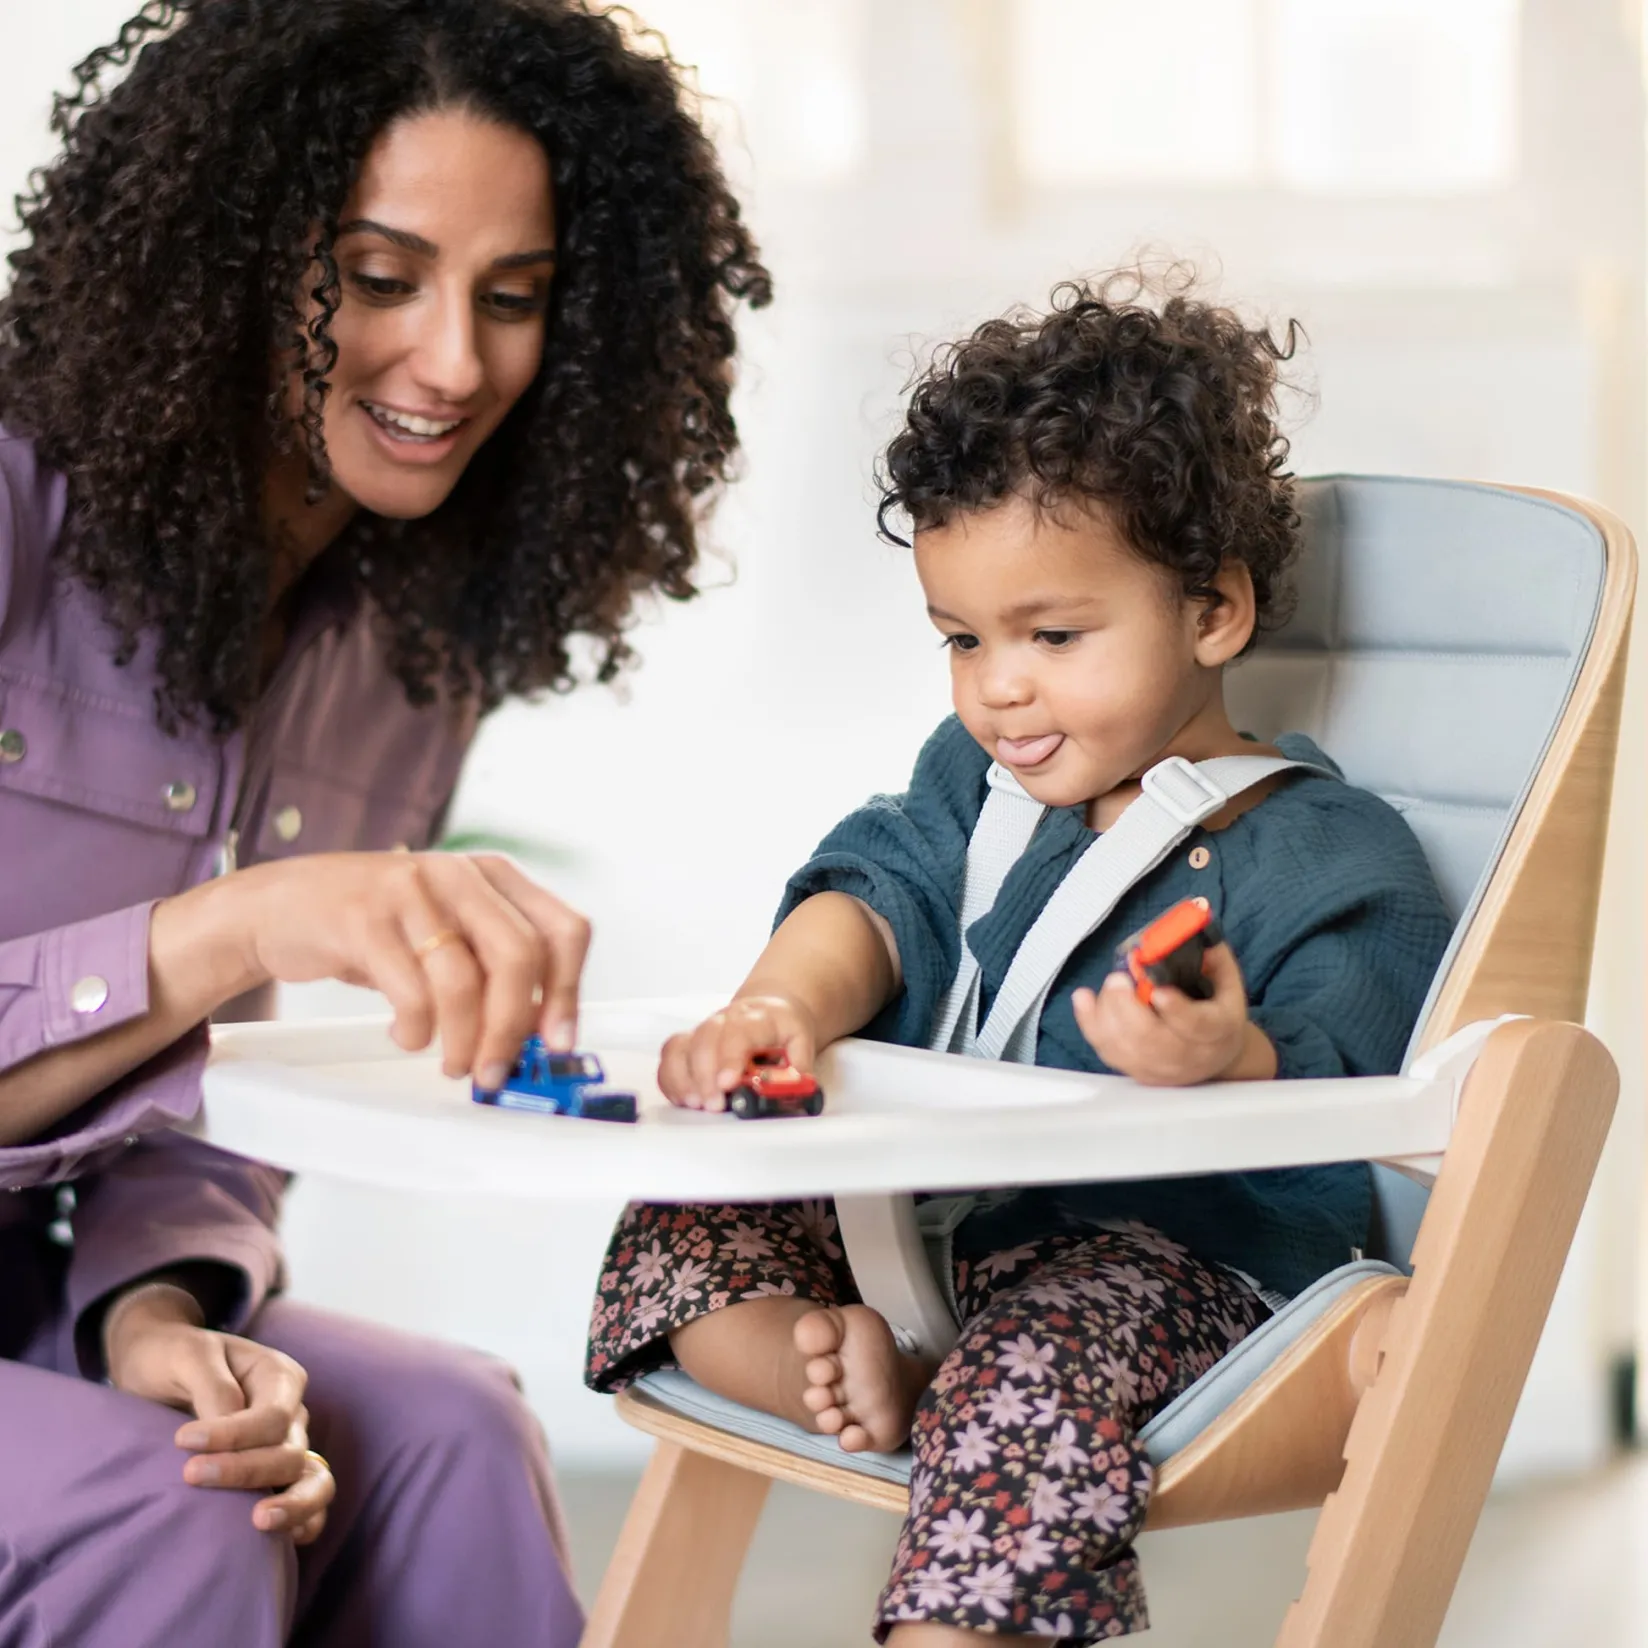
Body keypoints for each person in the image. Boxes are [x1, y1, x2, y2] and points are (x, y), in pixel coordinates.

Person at [0, 1, 769, 1643]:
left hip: (25, 1296)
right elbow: (227, 970)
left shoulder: (409, 653)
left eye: (515, 300)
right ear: (230, 254)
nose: (453, 362)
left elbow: (195, 1109)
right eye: (377, 277)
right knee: (175, 1511)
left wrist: (156, 1304)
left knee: (452, 1433)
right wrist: (240, 926)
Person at [584, 275, 1454, 1644]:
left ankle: (956, 1623)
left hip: (1171, 1267)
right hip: (930, 1232)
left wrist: (1231, 1058)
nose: (999, 685)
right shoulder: (975, 784)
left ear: (1214, 612)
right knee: (685, 1209)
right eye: (963, 640)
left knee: (1031, 1374)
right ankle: (816, 1364)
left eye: (1053, 637)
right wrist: (778, 1006)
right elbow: (875, 896)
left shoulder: (1327, 848)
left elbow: (1370, 1061)